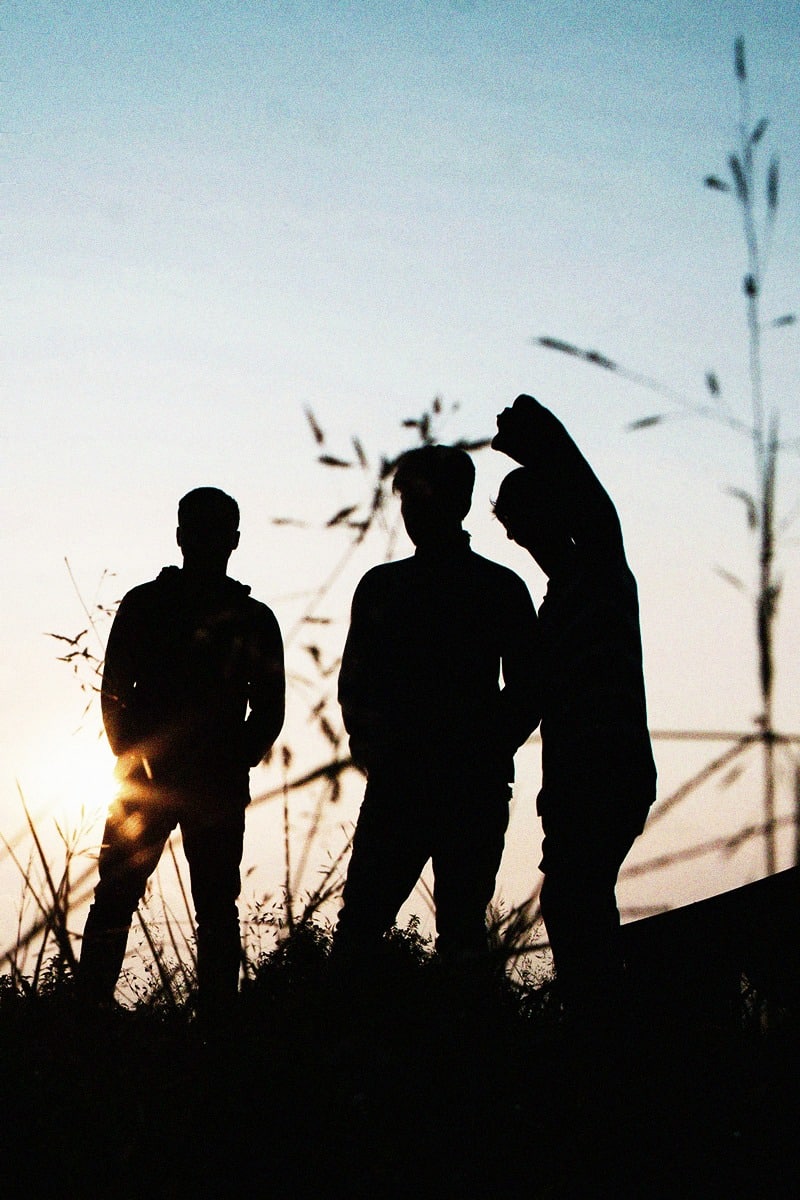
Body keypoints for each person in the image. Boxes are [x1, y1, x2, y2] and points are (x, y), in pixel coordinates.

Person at [78, 487, 285, 1020]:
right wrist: (141, 759)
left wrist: (142, 758)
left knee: (172, 903)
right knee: (154, 901)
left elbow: (267, 711)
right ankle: (204, 1020)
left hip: (177, 780)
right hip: (165, 780)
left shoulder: (162, 606)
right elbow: (115, 695)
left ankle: (92, 1014)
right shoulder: (240, 616)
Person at [332, 444, 540, 967]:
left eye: (421, 499)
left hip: (454, 785)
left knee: (450, 934)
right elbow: (355, 688)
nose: (412, 512)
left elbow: (528, 691)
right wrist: (376, 750)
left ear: (459, 502)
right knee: (372, 928)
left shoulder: (493, 588)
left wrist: (482, 749)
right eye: (408, 501)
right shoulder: (486, 587)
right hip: (420, 783)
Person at [492, 395, 656, 1024]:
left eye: (523, 522)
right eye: (511, 526)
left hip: (607, 776)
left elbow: (593, 500)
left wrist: (531, 435)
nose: (517, 537)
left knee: (575, 901)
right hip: (572, 788)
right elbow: (528, 703)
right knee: (575, 905)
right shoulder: (555, 606)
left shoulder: (604, 573)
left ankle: (605, 1031)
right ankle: (600, 1023)